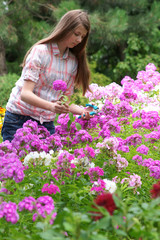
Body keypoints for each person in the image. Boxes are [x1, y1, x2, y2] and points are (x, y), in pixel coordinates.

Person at [2, 9, 93, 142]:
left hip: (46, 124)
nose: (79, 40)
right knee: (14, 162)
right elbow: (25, 94)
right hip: (18, 119)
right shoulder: (40, 52)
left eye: (83, 36)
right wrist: (51, 106)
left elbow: (64, 102)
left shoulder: (72, 62)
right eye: (76, 34)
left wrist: (83, 112)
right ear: (65, 28)